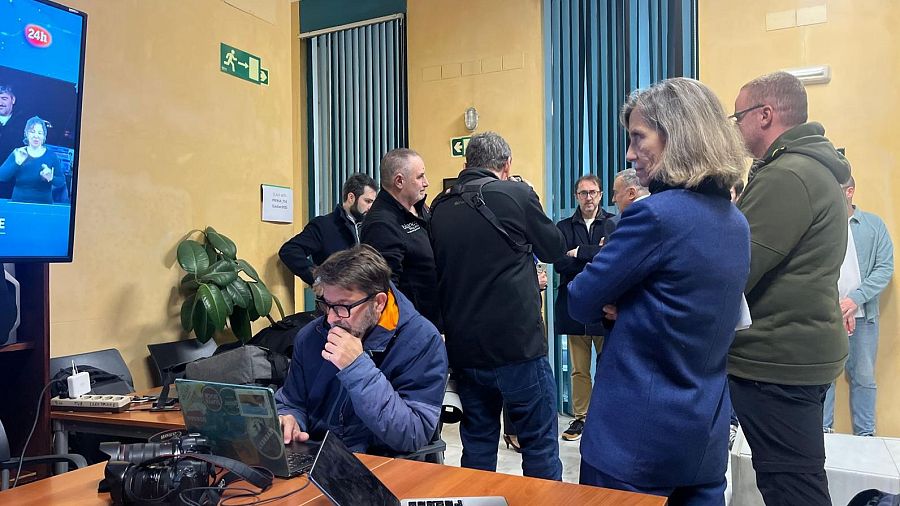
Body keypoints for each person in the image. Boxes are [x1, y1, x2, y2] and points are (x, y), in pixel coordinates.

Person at [568, 77, 749, 504]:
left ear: (677, 136)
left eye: (637, 137)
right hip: (702, 431)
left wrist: (622, 300)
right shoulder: (736, 223)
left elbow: (580, 298)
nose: (630, 154)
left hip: (634, 440)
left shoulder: (655, 216)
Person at [729, 70, 850, 505]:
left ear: (765, 115)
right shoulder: (811, 169)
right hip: (795, 350)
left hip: (776, 360)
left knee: (792, 489)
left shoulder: (788, 175)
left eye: (737, 116)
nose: (735, 127)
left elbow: (736, 269)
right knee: (794, 480)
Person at [430, 131, 566, 481]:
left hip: (466, 351)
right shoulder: (517, 194)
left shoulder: (441, 208)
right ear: (506, 166)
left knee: (477, 445)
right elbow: (553, 249)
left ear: (467, 164)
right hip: (517, 347)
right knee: (537, 444)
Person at [274, 244, 448, 454]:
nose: (331, 318)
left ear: (379, 302)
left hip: (383, 463)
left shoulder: (422, 341)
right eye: (326, 304)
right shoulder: (311, 335)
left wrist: (357, 367)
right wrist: (289, 418)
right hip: (318, 456)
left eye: (343, 306)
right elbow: (292, 400)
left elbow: (413, 435)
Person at [823, 175, 894, 436]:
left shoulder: (873, 226)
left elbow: (884, 268)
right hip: (827, 316)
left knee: (864, 378)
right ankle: (822, 431)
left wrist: (855, 300)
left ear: (849, 191)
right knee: (823, 376)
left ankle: (866, 435)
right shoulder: (822, 226)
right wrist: (834, 306)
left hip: (863, 318)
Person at [553, 174, 616, 442]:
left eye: (593, 192)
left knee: (608, 365)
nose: (588, 198)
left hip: (606, 306)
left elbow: (615, 260)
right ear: (576, 196)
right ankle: (581, 417)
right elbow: (559, 264)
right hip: (575, 305)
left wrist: (578, 252)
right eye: (583, 193)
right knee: (579, 368)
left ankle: (606, 417)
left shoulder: (613, 223)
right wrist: (596, 254)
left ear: (601, 194)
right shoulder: (563, 226)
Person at [361, 148, 443, 331]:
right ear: (399, 181)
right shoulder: (381, 224)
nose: (426, 182)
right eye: (420, 177)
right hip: (412, 329)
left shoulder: (420, 209)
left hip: (435, 323)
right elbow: (384, 290)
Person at [279, 173, 377, 285]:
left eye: (373, 202)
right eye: (367, 201)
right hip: (335, 298)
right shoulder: (324, 225)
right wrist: (318, 280)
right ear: (351, 197)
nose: (371, 207)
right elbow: (290, 250)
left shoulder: (370, 227)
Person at [0, 116, 68, 204]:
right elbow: (1, 177)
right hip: (19, 205)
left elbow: (61, 182)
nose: (36, 136)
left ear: (44, 136)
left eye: (40, 133)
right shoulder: (18, 152)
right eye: (32, 132)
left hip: (44, 207)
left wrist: (51, 178)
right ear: (27, 134)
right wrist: (17, 163)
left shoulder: (51, 156)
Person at [0, 85, 27, 199]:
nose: (0, 102)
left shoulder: (23, 125)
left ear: (13, 100)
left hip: (11, 185)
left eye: (4, 98)